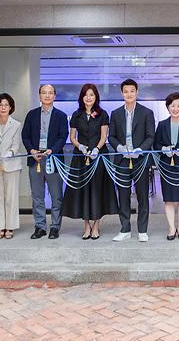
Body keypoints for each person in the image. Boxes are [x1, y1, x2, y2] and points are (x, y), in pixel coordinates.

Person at [62, 84, 119, 240]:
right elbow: (72, 136)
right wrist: (79, 146)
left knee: (97, 190)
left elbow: (103, 137)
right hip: (80, 158)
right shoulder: (76, 114)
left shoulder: (102, 114)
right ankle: (86, 226)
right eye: (86, 95)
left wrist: (96, 149)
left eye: (92, 95)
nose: (88, 98)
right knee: (83, 191)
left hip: (98, 157)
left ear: (96, 97)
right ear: (81, 97)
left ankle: (96, 226)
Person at [108, 79, 155, 242]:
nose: (129, 94)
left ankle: (142, 230)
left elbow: (150, 137)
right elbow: (111, 136)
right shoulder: (115, 114)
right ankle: (125, 229)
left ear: (137, 92)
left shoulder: (146, 113)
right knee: (123, 195)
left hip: (140, 160)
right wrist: (119, 147)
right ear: (122, 93)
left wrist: (140, 150)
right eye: (126, 91)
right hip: (121, 160)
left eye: (132, 91)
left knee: (143, 196)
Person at [21, 84, 69, 240]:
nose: (47, 95)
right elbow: (25, 135)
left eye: (50, 93)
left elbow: (63, 136)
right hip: (36, 160)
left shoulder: (61, 116)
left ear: (54, 96)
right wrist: (31, 150)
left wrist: (52, 150)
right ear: (39, 95)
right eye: (44, 93)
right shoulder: (32, 115)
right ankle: (40, 226)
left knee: (56, 196)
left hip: (53, 160)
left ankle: (55, 227)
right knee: (37, 196)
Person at [154, 92, 179, 240]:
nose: (175, 108)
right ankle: (171, 227)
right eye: (173, 105)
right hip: (167, 166)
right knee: (169, 199)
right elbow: (156, 144)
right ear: (168, 107)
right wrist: (163, 149)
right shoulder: (162, 124)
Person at [0, 93, 23, 239]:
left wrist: (10, 152)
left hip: (12, 164)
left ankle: (10, 227)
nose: (3, 107)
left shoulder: (16, 125)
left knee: (11, 197)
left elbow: (16, 144)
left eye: (6, 105)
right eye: (0, 105)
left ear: (11, 107)